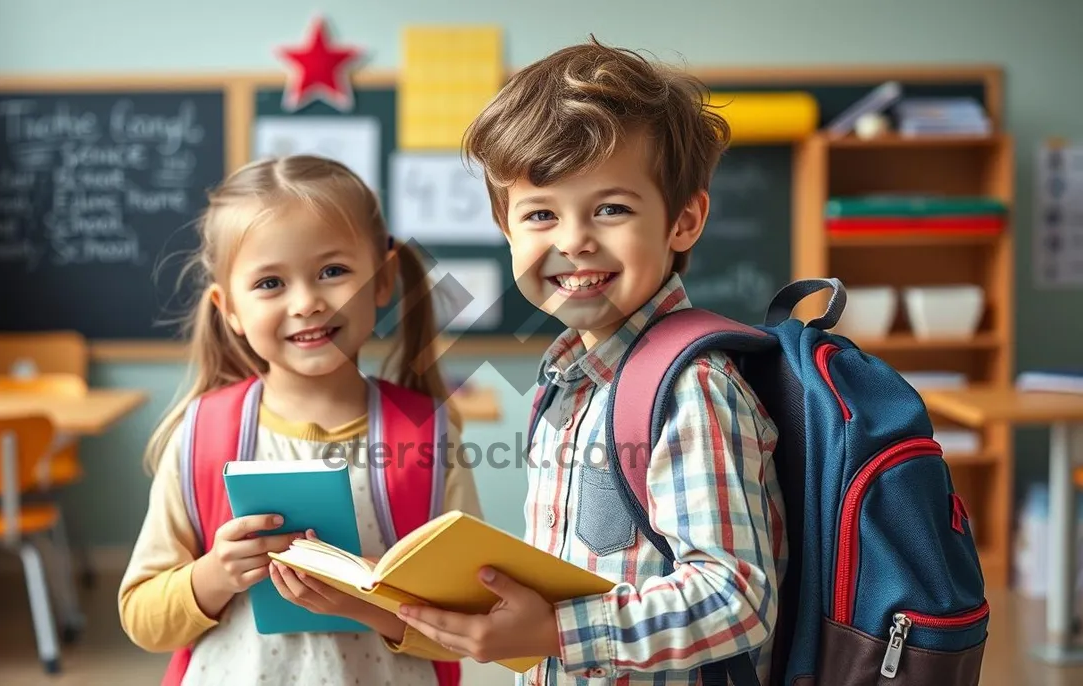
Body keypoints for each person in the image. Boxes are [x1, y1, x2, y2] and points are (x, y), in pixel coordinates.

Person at [395, 38, 788, 684]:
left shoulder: (692, 388)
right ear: (508, 231)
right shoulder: (567, 383)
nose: (573, 240)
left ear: (683, 221)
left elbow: (735, 598)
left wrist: (555, 629)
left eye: (610, 209)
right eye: (541, 214)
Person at [118, 155, 482, 686]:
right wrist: (215, 574)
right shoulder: (201, 435)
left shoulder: (431, 438)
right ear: (230, 310)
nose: (308, 302)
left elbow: (469, 625)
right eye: (270, 283)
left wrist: (363, 603)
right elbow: (142, 618)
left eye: (332, 272)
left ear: (381, 282)